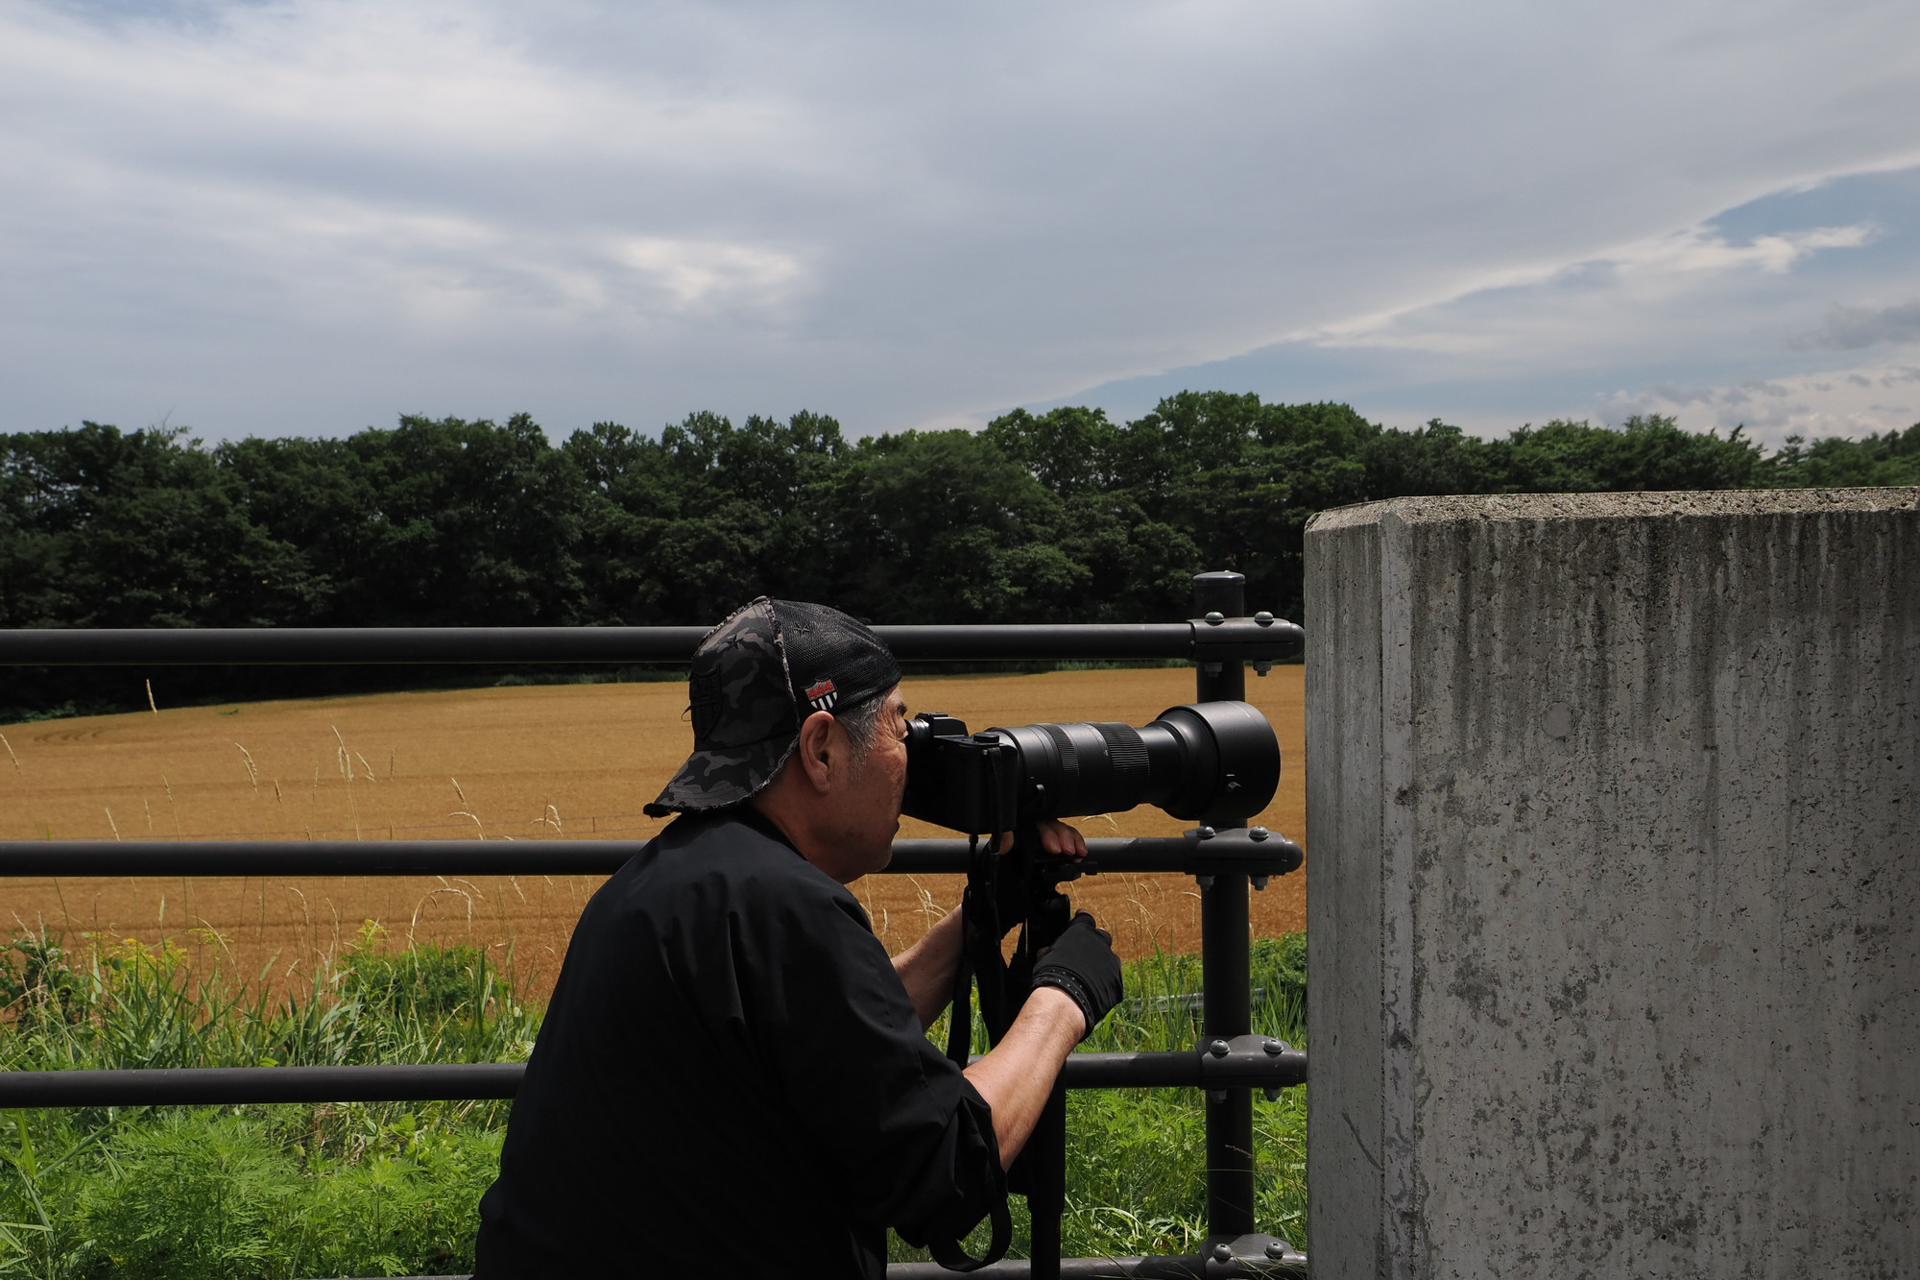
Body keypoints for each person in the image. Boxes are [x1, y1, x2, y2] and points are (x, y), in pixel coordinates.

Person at [473, 597, 1123, 1279]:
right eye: (901, 726)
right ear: (820, 749)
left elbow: (830, 1045)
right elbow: (945, 1170)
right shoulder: (787, 906)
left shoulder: (664, 883)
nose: (914, 757)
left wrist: (980, 920)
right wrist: (1061, 1000)